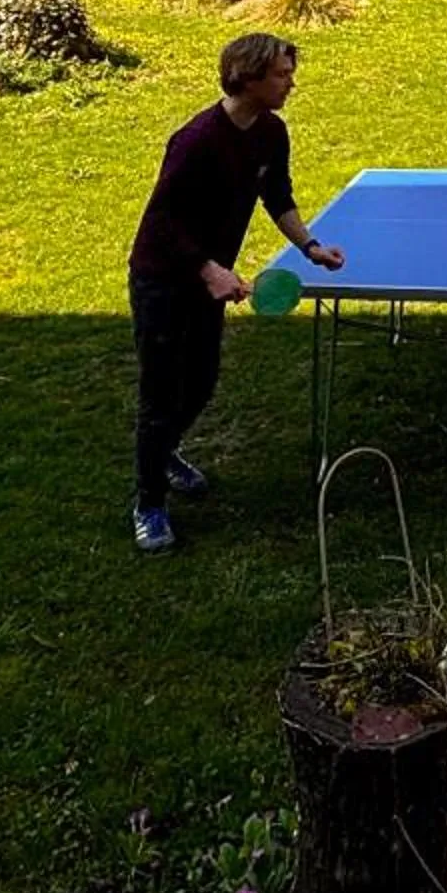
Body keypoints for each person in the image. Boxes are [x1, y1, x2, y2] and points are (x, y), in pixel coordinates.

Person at [126, 31, 344, 555]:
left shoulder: (271, 132)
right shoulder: (197, 140)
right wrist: (209, 272)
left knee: (200, 383)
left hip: (208, 279)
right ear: (247, 78)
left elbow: (278, 196)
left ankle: (166, 452)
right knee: (160, 395)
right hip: (163, 278)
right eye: (281, 75)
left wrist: (309, 245)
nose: (291, 82)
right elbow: (160, 222)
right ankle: (148, 503)